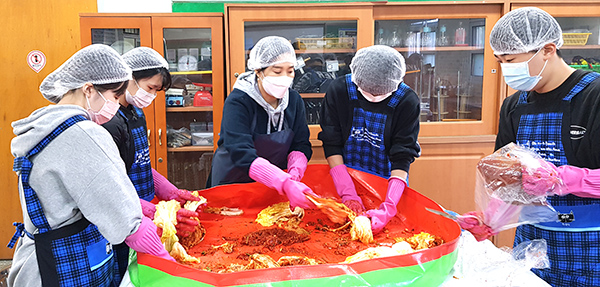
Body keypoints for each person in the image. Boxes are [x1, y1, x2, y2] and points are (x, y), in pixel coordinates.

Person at [7, 44, 173, 287]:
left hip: (39, 256)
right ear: (88, 89)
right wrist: (167, 262)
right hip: (64, 263)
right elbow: (125, 222)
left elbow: (88, 193)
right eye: (115, 96)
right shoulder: (83, 134)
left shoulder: (46, 127)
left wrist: (145, 208)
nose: (117, 104)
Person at [485, 7, 600, 286]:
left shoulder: (593, 97)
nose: (505, 69)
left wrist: (563, 179)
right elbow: (510, 179)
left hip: (590, 248)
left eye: (511, 60)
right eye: (500, 60)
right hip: (532, 246)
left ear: (548, 49)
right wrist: (489, 219)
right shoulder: (515, 106)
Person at [101, 46, 201, 285]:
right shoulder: (110, 121)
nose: (152, 96)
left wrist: (169, 191)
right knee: (125, 272)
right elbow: (110, 187)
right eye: (150, 88)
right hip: (123, 213)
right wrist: (154, 211)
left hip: (142, 207)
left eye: (157, 91)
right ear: (129, 78)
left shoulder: (135, 112)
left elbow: (140, 161)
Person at [318, 45, 421, 233]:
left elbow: (402, 155)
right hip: (345, 175)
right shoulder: (339, 91)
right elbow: (331, 142)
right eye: (367, 92)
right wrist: (347, 191)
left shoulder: (407, 101)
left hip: (388, 180)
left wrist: (389, 205)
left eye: (381, 93)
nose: (373, 98)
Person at [209, 36, 316, 210]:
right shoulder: (239, 101)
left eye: (290, 71)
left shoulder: (294, 100)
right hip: (234, 183)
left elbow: (301, 143)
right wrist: (283, 182)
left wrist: (294, 172)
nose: (285, 77)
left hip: (271, 186)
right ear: (258, 71)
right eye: (277, 71)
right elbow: (240, 151)